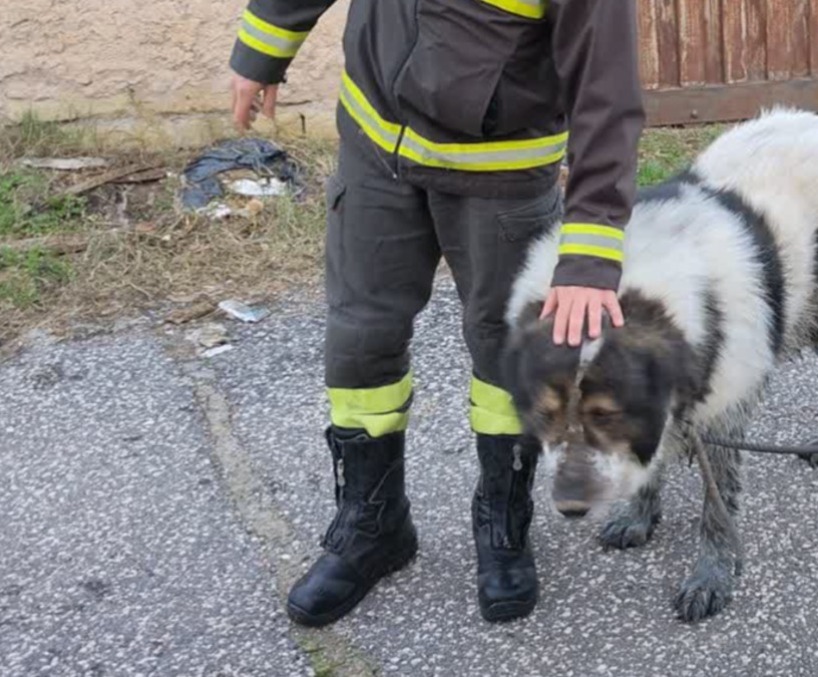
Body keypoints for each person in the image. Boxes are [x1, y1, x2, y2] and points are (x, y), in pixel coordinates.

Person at [226, 0, 644, 625]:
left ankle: (502, 525)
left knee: (505, 353)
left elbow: (606, 89)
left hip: (500, 174)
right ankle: (375, 525)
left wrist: (589, 253)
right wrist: (262, 49)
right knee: (360, 338)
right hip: (376, 148)